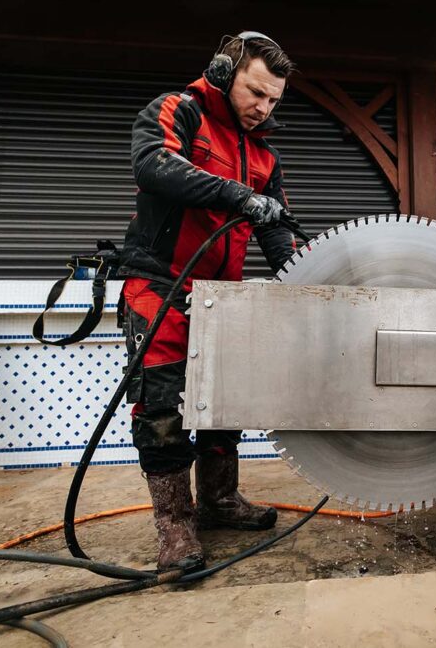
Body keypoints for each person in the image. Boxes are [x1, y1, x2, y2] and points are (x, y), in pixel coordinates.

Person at [118, 32, 297, 571]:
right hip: (160, 284)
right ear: (224, 72)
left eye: (273, 100)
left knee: (224, 400)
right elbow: (152, 164)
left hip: (224, 298)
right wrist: (234, 193)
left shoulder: (265, 154)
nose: (262, 107)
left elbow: (279, 237)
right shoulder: (181, 111)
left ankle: (220, 501)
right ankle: (174, 526)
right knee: (161, 407)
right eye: (255, 92)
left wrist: (317, 277)